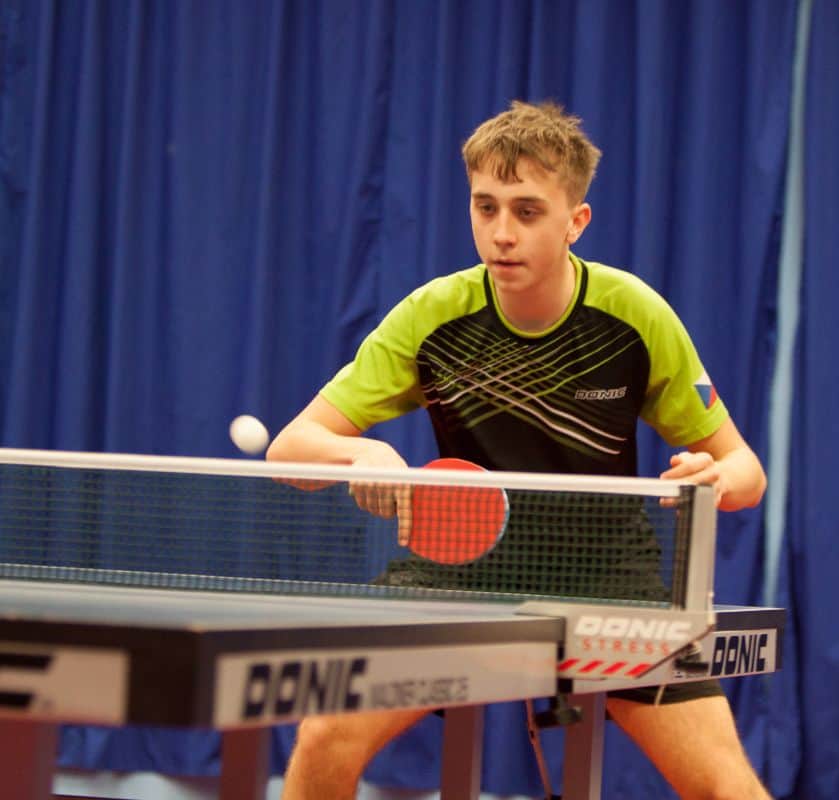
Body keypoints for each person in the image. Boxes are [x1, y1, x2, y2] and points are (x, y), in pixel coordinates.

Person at [267, 100, 770, 800]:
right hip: (456, 574)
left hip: (610, 578)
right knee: (325, 736)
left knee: (725, 787)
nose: (502, 233)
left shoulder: (634, 316)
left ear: (575, 221)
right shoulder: (433, 316)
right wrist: (361, 456)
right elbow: (291, 449)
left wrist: (714, 478)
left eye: (527, 211)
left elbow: (748, 471)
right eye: (486, 207)